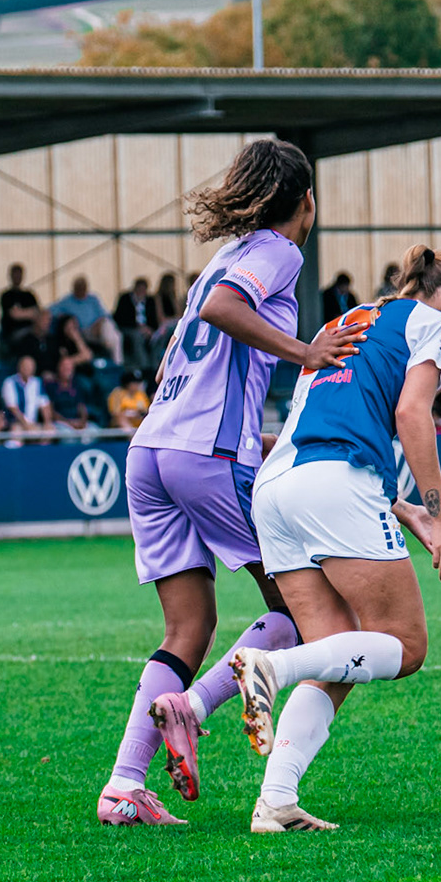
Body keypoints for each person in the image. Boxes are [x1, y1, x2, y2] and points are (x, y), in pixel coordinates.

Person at [100, 137, 364, 827]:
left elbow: (177, 364)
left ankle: (125, 785)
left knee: (189, 626)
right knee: (303, 610)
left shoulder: (225, 255)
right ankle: (195, 707)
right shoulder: (278, 252)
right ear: (306, 200)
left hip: (154, 449)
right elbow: (222, 311)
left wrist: (254, 436)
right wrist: (306, 352)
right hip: (204, 454)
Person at [232, 246, 441, 832]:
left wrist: (402, 509)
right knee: (406, 645)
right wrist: (440, 515)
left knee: (342, 654)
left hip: (277, 490)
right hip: (335, 485)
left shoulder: (340, 322)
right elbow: (412, 415)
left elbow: (325, 421)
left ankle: (276, 801)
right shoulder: (434, 324)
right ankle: (272, 667)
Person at [50, 276, 119, 363]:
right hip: (79, 330)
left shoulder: (93, 299)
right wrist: (60, 315)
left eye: (83, 288)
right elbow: (51, 310)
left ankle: (117, 363)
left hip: (94, 329)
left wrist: (99, 322)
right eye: (78, 288)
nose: (81, 290)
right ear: (74, 288)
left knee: (111, 330)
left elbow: (105, 315)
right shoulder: (67, 301)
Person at [0, 355, 51, 433]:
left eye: (31, 366)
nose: (28, 368)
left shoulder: (37, 382)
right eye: (25, 366)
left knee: (50, 431)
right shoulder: (9, 382)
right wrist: (26, 424)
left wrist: (47, 423)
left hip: (33, 424)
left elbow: (45, 404)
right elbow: (12, 408)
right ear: (19, 367)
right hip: (16, 424)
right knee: (16, 431)